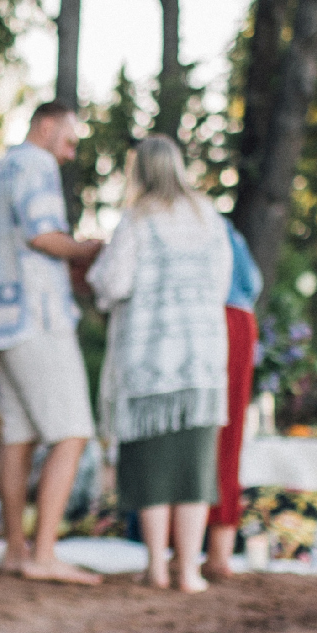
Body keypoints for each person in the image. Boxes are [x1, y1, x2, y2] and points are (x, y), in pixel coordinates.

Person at [87, 136, 230, 592]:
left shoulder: (138, 220)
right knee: (192, 468)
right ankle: (189, 569)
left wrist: (94, 273)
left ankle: (156, 567)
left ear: (140, 173)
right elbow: (223, 281)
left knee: (150, 466)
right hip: (201, 362)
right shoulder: (208, 216)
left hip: (149, 363)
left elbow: (113, 283)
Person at [0, 99, 105, 584]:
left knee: (18, 437)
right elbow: (41, 235)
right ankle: (44, 555)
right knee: (71, 432)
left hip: (0, 318)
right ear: (45, 125)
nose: (68, 153)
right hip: (37, 317)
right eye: (69, 139)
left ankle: (14, 551)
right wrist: (89, 250)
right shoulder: (35, 162)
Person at [203, 220, 262, 580]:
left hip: (209, 318)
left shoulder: (198, 220)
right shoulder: (218, 222)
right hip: (236, 318)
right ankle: (218, 551)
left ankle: (190, 548)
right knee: (229, 435)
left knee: (199, 435)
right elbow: (252, 281)